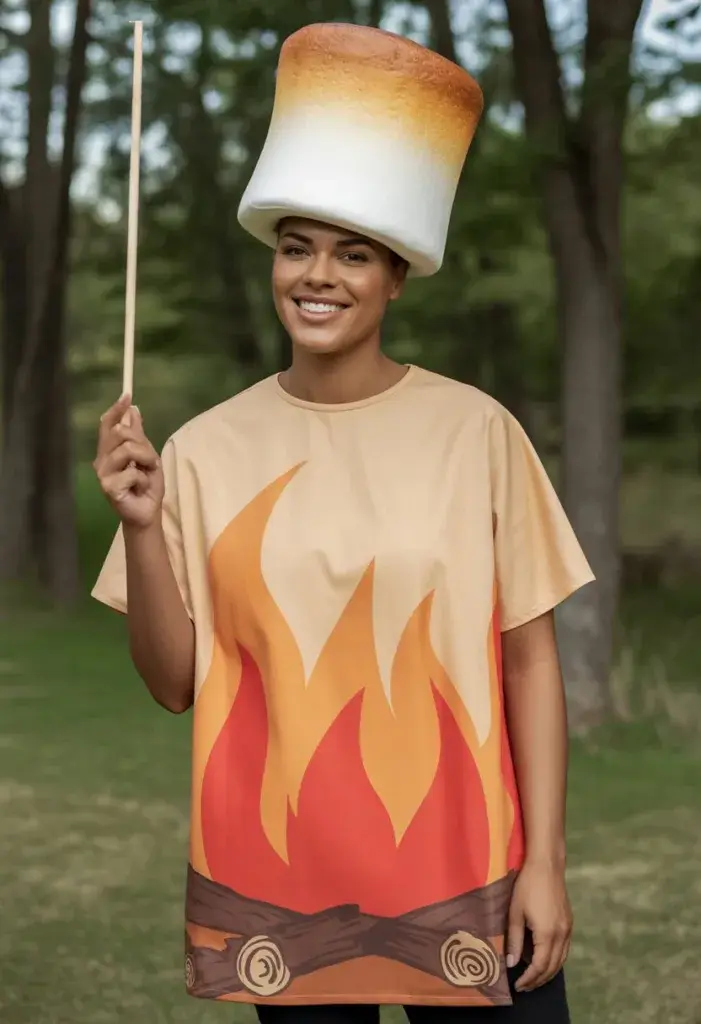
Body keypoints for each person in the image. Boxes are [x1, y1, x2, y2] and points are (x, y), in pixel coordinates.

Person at [92, 22, 595, 1024]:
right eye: (296, 249)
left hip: (470, 876)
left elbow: (529, 661)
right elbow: (173, 685)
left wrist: (543, 862)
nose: (317, 275)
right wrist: (143, 528)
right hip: (278, 881)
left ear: (395, 276)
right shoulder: (199, 450)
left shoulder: (478, 432)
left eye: (351, 254)